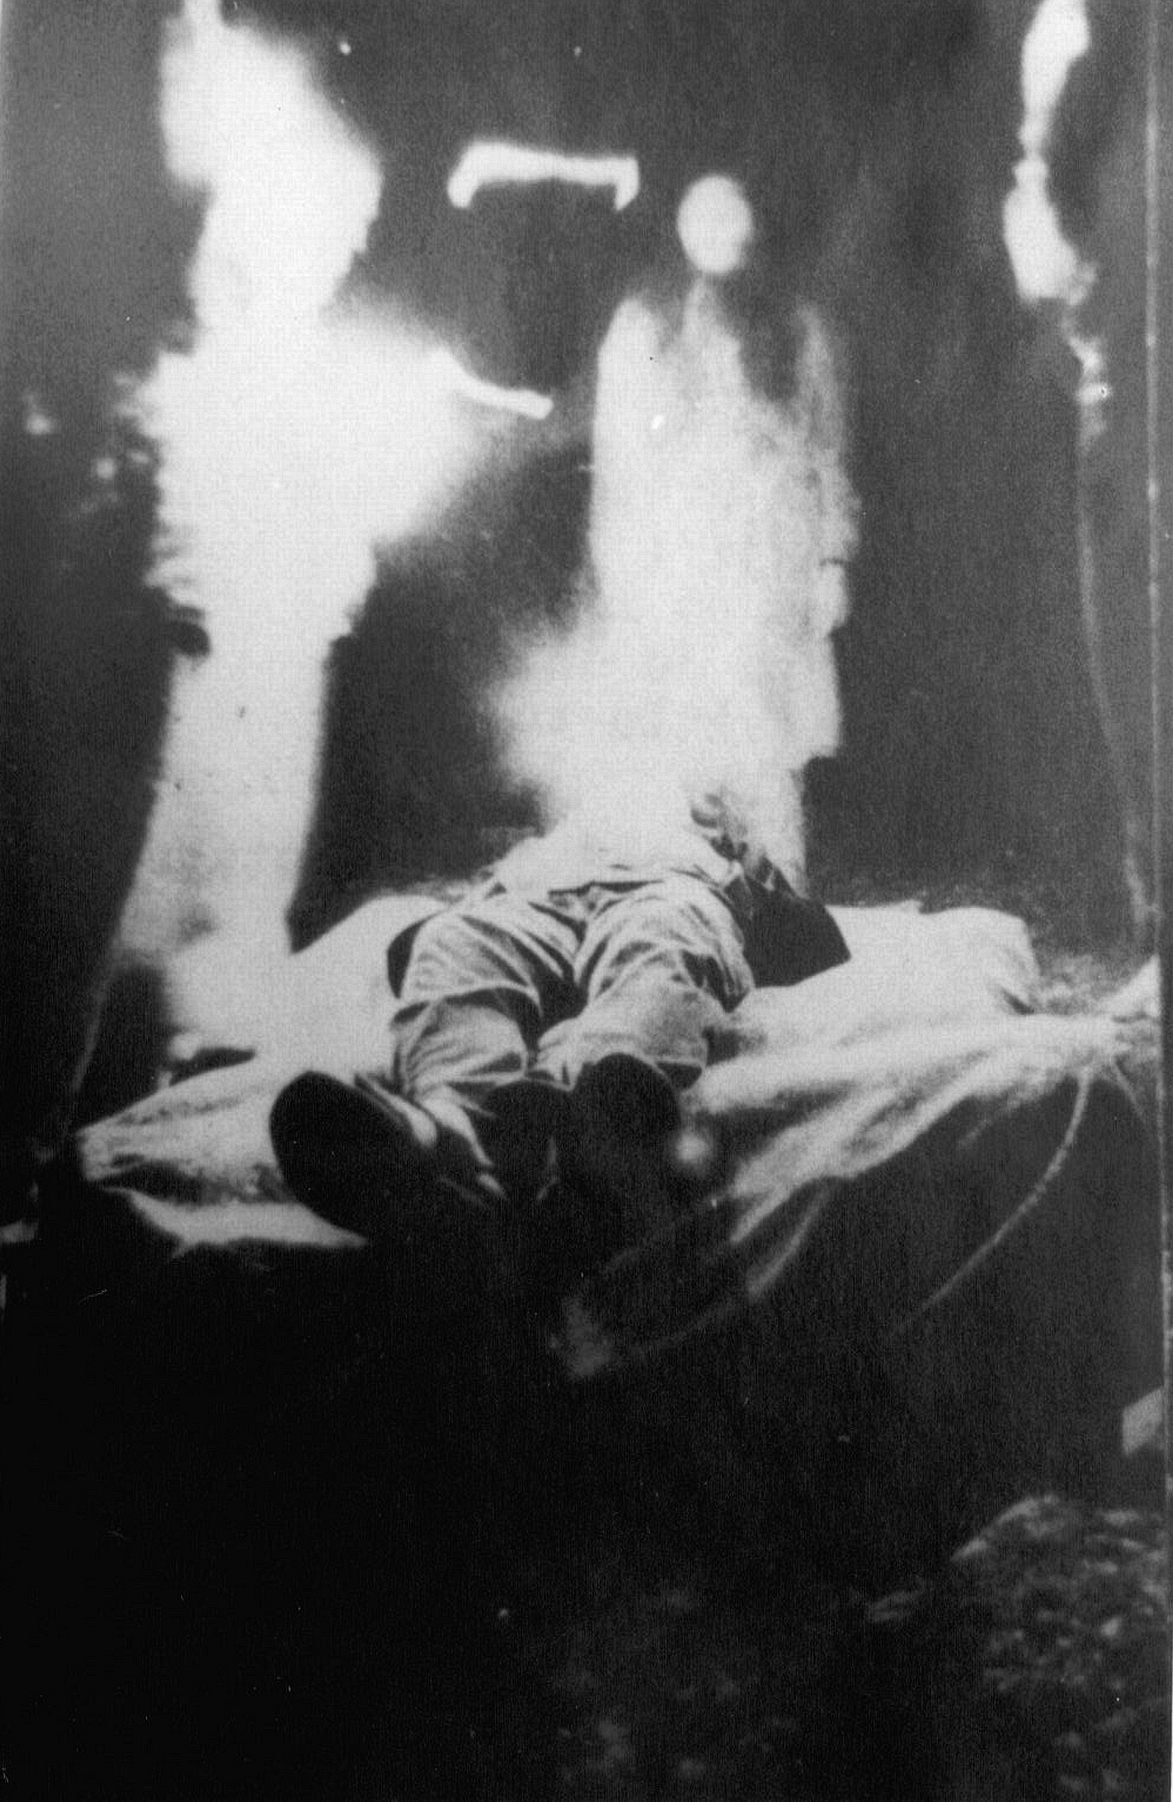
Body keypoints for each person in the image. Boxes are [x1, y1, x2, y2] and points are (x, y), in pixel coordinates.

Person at [269, 792, 847, 1311]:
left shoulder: (721, 818)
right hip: (532, 898)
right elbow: (433, 936)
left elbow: (801, 926)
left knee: (659, 954)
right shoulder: (556, 828)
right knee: (454, 943)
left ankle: (579, 1133)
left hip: (669, 888)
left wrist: (752, 873)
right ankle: (447, 1123)